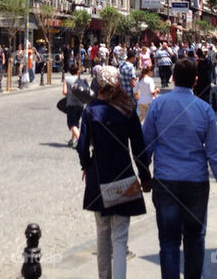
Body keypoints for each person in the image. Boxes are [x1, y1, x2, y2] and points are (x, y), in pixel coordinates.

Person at [142, 59, 217, 279]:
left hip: (166, 181)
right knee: (195, 238)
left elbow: (146, 145)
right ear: (196, 81)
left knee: (169, 242)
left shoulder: (158, 105)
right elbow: (214, 153)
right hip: (195, 183)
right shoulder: (205, 110)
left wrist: (145, 177)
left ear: (172, 77)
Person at [77, 65, 151, 279]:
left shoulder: (90, 110)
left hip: (98, 175)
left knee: (102, 234)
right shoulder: (128, 108)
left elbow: (82, 147)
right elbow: (139, 147)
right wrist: (145, 176)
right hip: (123, 173)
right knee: (120, 238)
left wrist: (86, 165)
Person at [63, 63, 85, 149]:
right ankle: (72, 140)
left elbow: (64, 92)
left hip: (71, 104)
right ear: (78, 71)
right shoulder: (81, 80)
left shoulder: (67, 79)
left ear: (69, 71)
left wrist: (69, 94)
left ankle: (80, 140)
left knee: (71, 123)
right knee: (76, 122)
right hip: (80, 104)